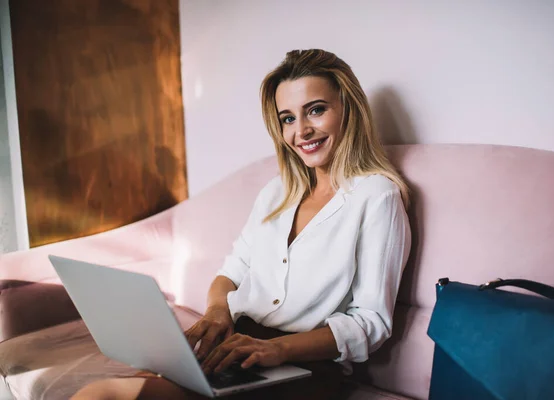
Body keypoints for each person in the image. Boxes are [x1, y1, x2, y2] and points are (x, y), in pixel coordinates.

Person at [72, 49, 411, 400]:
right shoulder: (275, 193)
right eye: (288, 119)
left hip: (304, 366)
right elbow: (231, 272)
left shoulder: (377, 196)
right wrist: (218, 312)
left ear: (348, 110)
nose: (302, 130)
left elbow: (371, 323)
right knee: (108, 392)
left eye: (316, 110)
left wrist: (278, 350)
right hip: (236, 344)